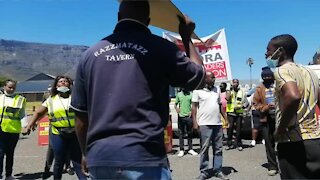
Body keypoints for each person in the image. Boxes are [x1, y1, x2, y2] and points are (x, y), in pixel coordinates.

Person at [70, 0, 206, 179]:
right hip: (144, 159)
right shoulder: (162, 49)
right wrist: (186, 37)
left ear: (118, 17)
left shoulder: (89, 56)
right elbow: (199, 79)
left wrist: (86, 153)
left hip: (101, 159)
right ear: (148, 21)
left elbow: (80, 117)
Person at [266, 34, 320, 179]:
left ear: (280, 51)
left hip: (293, 142)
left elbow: (293, 96)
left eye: (269, 50)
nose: (266, 54)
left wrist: (281, 129)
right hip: (315, 140)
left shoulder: (282, 70)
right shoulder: (310, 72)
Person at [22, 76, 86, 180]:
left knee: (77, 161)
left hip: (75, 134)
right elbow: (38, 113)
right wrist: (29, 126)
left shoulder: (76, 98)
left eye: (66, 82)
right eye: (61, 82)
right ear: (56, 86)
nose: (64, 83)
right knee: (59, 161)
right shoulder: (51, 100)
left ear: (70, 85)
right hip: (58, 133)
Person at [192, 71, 229, 180]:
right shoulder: (197, 90)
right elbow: (194, 107)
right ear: (206, 79)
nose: (214, 79)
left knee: (218, 148)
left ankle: (217, 170)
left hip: (217, 124)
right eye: (212, 77)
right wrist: (195, 122)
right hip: (204, 124)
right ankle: (204, 171)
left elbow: (220, 105)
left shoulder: (217, 89)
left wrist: (226, 119)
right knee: (205, 148)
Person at [252, 67, 278, 176]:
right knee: (269, 143)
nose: (268, 79)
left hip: (280, 117)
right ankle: (272, 166)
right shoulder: (259, 88)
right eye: (265, 77)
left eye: (269, 77)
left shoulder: (278, 85)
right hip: (266, 118)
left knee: (284, 142)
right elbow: (255, 104)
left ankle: (285, 164)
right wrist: (266, 107)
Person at [0, 79, 26, 180]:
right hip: (1, 129)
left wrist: (25, 126)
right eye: (9, 87)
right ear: (4, 87)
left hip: (13, 130)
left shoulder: (20, 99)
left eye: (13, 87)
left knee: (10, 153)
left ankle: (8, 175)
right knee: (1, 153)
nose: (11, 89)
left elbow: (22, 114)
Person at [174, 88, 198, 157]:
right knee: (181, 133)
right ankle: (181, 149)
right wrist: (177, 109)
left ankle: (190, 148)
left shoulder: (191, 94)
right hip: (181, 117)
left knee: (190, 133)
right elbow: (175, 104)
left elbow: (193, 105)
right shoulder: (179, 94)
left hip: (188, 117)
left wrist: (191, 112)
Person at [225, 79, 246, 151]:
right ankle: (229, 144)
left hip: (239, 112)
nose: (235, 84)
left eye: (237, 82)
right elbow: (227, 98)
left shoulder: (242, 91)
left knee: (239, 129)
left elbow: (246, 102)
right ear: (232, 83)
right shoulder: (229, 91)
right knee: (230, 128)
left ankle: (239, 144)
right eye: (234, 82)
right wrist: (230, 90)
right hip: (231, 112)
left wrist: (244, 109)